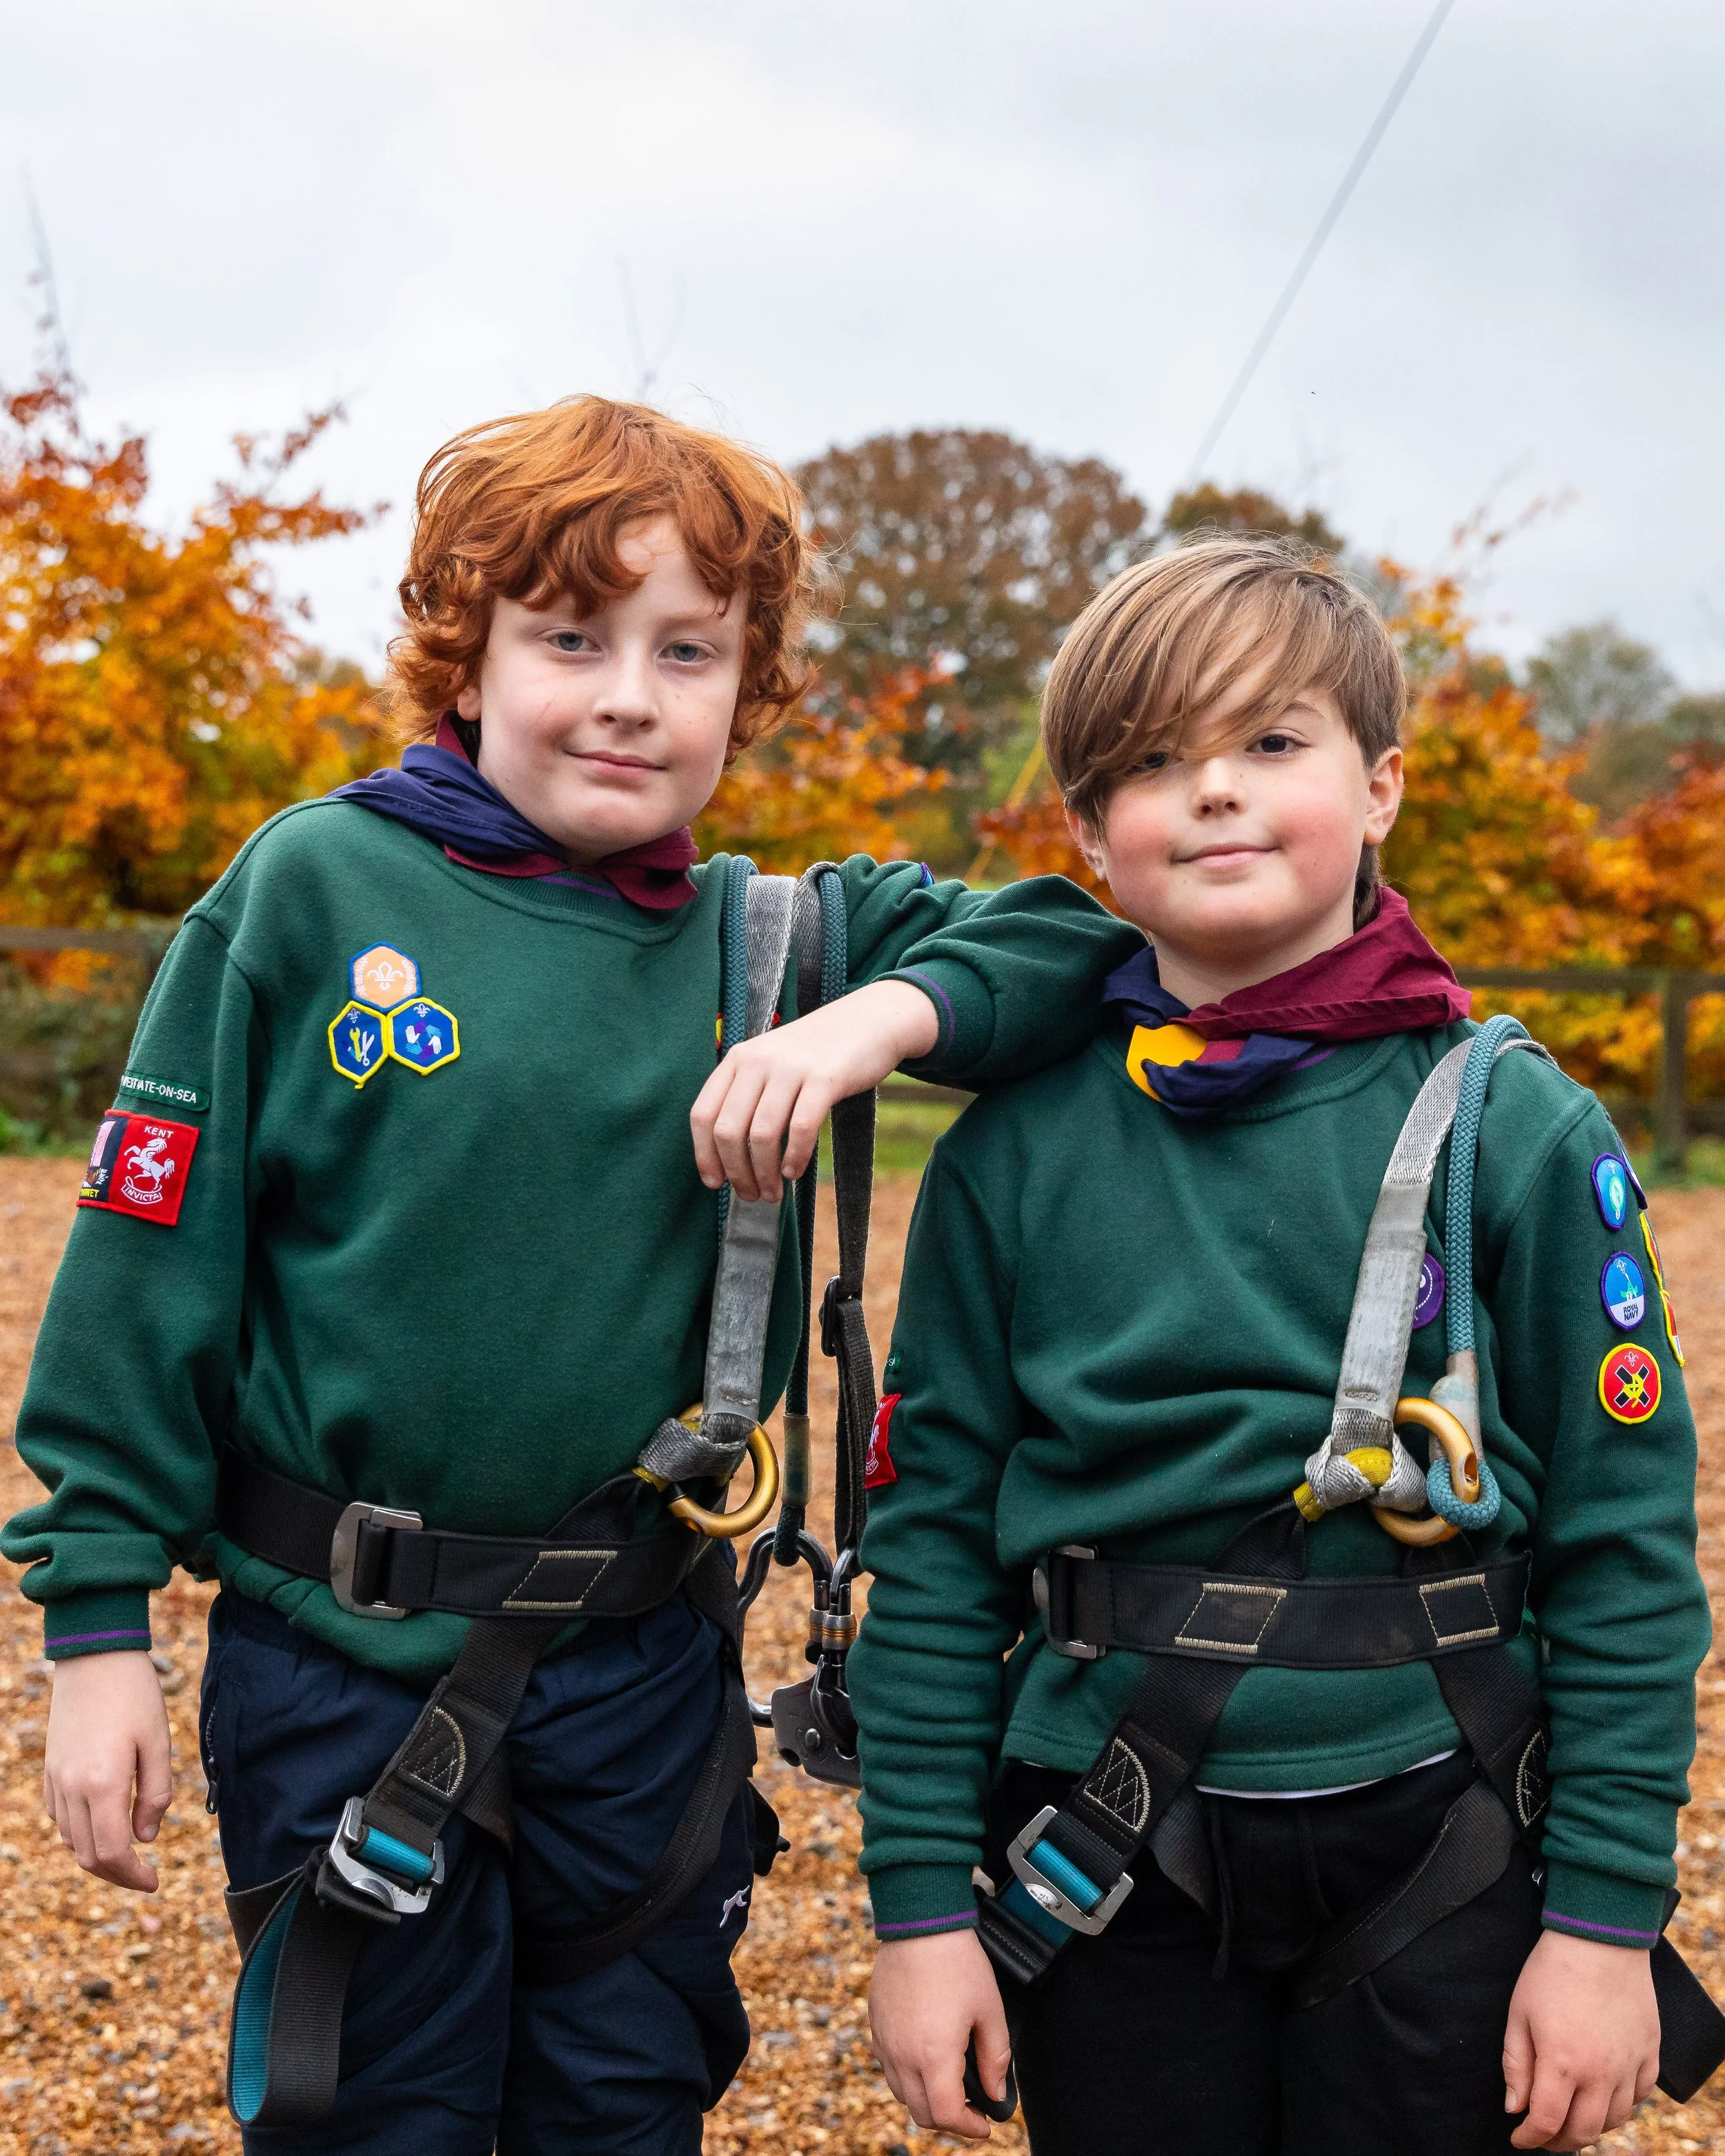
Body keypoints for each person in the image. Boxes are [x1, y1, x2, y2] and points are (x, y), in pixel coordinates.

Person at [2, 396, 1141, 2155]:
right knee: (369, 2111)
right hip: (342, 1653)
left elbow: (1077, 940)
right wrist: (95, 1630)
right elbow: (148, 1263)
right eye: (570, 638)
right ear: (465, 657)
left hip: (644, 1676)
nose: (628, 692)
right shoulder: (310, 890)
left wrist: (870, 1017)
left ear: (743, 689)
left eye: (688, 650)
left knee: (624, 2104)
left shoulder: (767, 939)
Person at [850, 537, 1712, 2155]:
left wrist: (1599, 1924)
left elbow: (1622, 1552)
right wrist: (917, 1912)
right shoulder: (1012, 1155)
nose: (1214, 796)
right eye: (1154, 763)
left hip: (1442, 1825)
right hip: (1102, 1845)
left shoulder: (1511, 1129)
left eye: (1269, 743)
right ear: (1088, 838)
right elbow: (935, 1554)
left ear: (1378, 784)